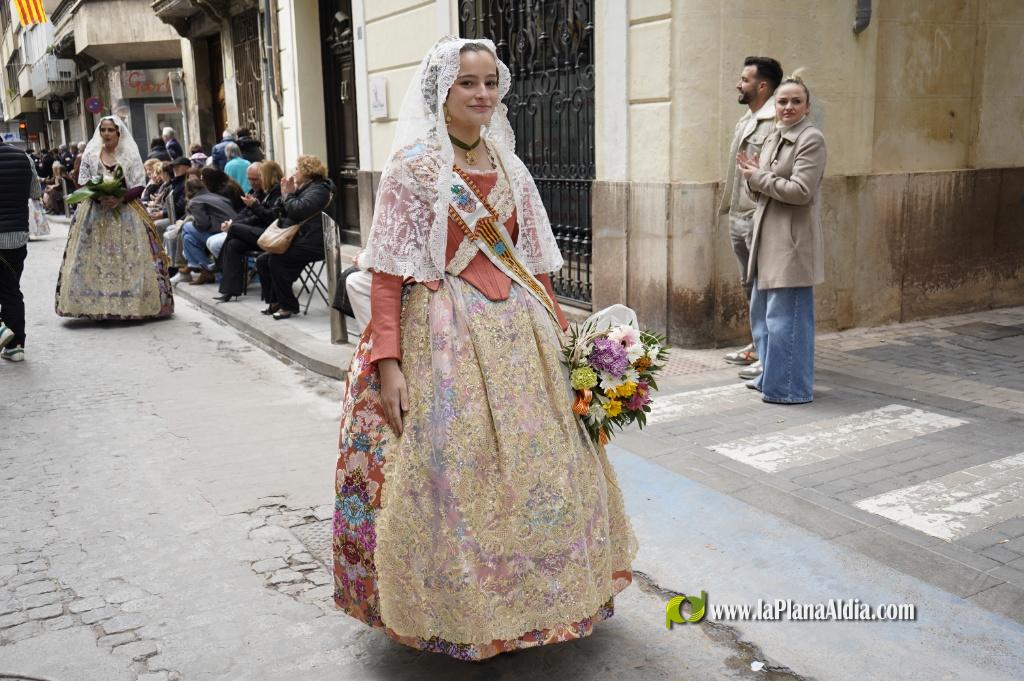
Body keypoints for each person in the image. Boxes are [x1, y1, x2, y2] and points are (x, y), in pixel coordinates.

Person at [332, 37, 634, 661]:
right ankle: (460, 606)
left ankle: (542, 594)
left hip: (520, 334)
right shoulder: (412, 167)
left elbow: (535, 265)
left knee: (544, 464)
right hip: (440, 335)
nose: (483, 94)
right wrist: (388, 364)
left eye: (491, 82)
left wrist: (564, 337)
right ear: (442, 91)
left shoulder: (511, 164)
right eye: (469, 83)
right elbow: (387, 273)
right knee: (450, 469)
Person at [738, 74, 826, 404]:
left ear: (806, 106)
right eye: (782, 101)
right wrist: (750, 178)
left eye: (795, 101)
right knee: (764, 315)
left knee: (788, 320)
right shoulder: (775, 136)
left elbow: (802, 191)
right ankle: (770, 379)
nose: (788, 107)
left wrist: (757, 177)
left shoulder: (811, 139)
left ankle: (790, 388)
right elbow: (759, 188)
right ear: (774, 105)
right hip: (766, 237)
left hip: (791, 242)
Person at [55, 115, 174, 320]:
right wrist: (99, 195)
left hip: (126, 211)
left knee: (130, 256)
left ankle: (132, 302)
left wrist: (121, 199)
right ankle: (96, 304)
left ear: (119, 133)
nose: (107, 134)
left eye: (111, 130)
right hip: (95, 211)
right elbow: (83, 182)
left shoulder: (129, 155)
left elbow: (138, 184)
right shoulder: (91, 155)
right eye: (103, 130)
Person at [720, 56, 782, 380]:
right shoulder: (747, 118)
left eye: (744, 79)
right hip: (739, 213)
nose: (738, 84)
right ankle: (757, 346)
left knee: (762, 287)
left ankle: (767, 354)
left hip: (758, 217)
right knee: (750, 287)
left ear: (762, 85)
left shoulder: (773, 121)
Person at [254, 155, 332, 319]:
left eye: (297, 169)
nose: (294, 172)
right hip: (302, 239)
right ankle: (275, 301)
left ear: (307, 171)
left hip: (315, 242)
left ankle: (288, 306)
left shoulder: (320, 189)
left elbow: (298, 210)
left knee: (277, 260)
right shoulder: (306, 187)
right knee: (262, 260)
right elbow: (288, 210)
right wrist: (286, 194)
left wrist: (288, 194)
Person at [213, 161, 285, 302]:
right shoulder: (257, 192)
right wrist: (232, 223)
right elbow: (245, 213)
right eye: (250, 179)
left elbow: (272, 218)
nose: (252, 183)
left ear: (266, 176)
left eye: (256, 179)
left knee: (234, 229)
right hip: (257, 233)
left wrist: (254, 207)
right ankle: (229, 291)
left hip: (271, 235)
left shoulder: (278, 192)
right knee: (234, 243)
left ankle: (218, 265)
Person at [0, 137, 42, 362]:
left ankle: (1, 330)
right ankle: (15, 347)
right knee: (11, 291)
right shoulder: (23, 157)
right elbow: (35, 192)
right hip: (17, 236)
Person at [179, 174, 237, 285]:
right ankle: (202, 269)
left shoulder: (195, 201)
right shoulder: (219, 197)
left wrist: (193, 222)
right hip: (232, 231)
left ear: (189, 191)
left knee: (186, 227)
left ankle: (202, 268)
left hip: (219, 233)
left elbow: (203, 224)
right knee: (188, 238)